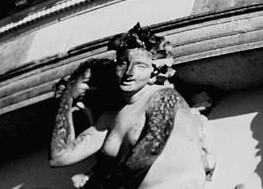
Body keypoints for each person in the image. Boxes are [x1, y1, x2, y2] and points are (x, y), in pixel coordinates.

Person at [49, 24, 213, 189]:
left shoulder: (164, 97)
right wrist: (68, 96)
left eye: (140, 65)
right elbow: (59, 156)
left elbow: (149, 151)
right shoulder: (110, 119)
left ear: (154, 71)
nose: (129, 72)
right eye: (122, 63)